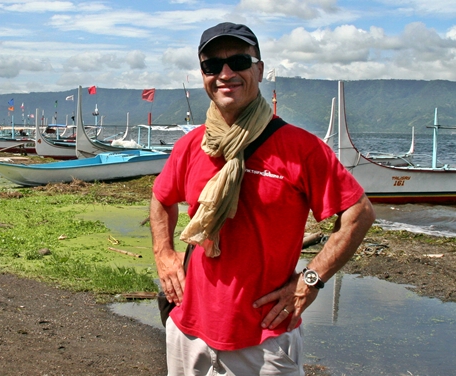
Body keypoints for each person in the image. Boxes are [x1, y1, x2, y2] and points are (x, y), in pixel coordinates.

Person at [150, 22, 376, 375]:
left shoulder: (301, 148)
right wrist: (164, 256)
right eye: (212, 65)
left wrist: (311, 280)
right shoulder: (192, 145)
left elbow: (359, 213)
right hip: (187, 329)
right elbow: (161, 199)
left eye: (238, 60)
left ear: (259, 68)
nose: (225, 73)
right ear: (203, 75)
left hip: (264, 338)